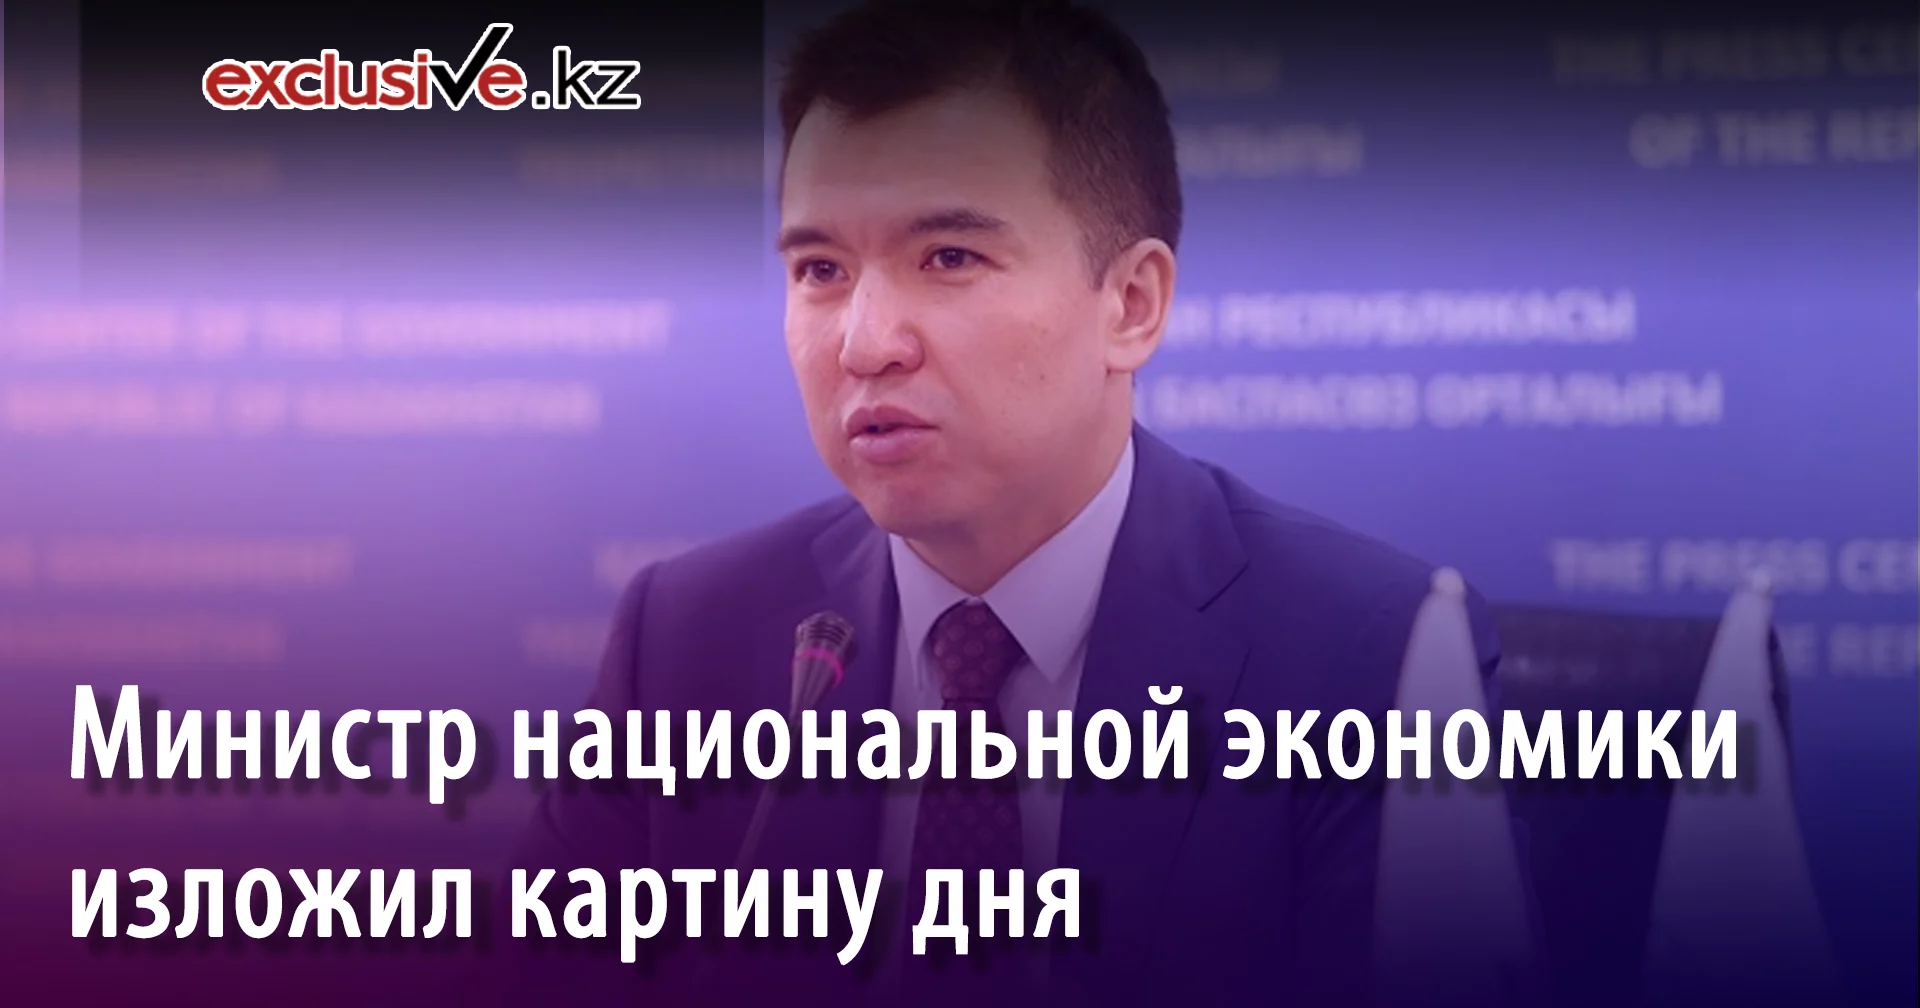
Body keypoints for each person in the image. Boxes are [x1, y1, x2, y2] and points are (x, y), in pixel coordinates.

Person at [513, 2, 1500, 1005]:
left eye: (949, 257)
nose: (865, 343)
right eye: (821, 270)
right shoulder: (685, 639)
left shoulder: (1364, 655)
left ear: (1131, 305)